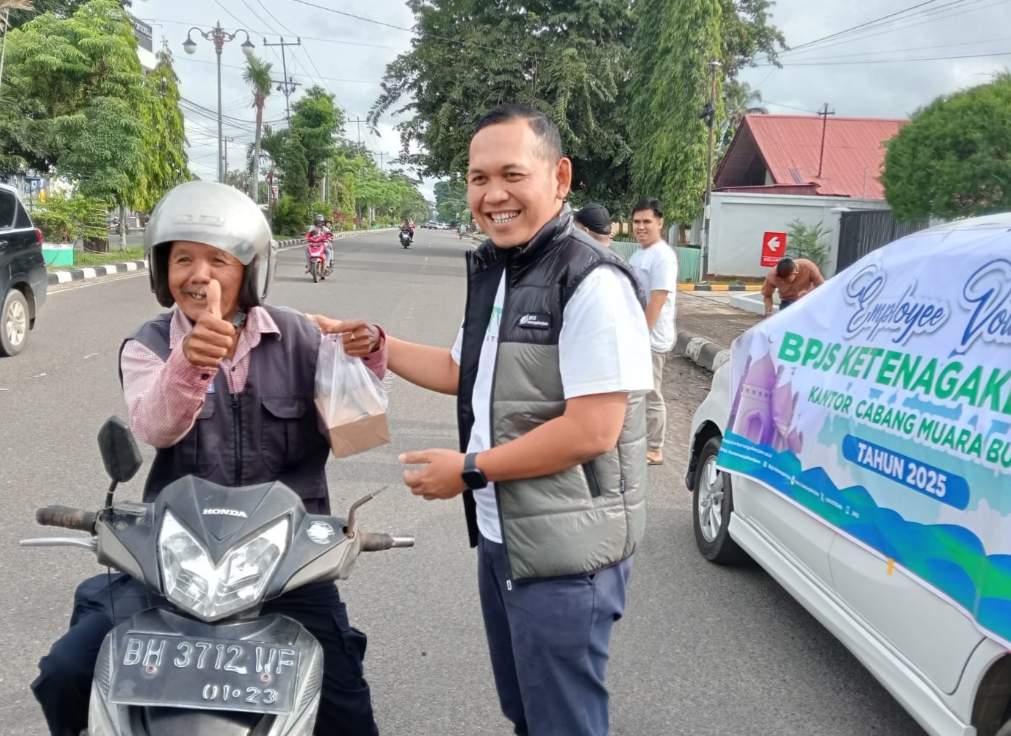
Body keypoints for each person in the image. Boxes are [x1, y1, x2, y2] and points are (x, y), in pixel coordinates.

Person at [32, 181, 385, 736]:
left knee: (345, 704)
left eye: (218, 259)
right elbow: (154, 425)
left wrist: (364, 357)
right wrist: (189, 364)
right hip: (171, 561)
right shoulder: (147, 344)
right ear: (159, 271)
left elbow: (356, 429)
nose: (199, 275)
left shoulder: (300, 335)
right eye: (182, 259)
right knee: (66, 672)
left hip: (285, 567)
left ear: (250, 268)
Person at [356, 104, 652, 736]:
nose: (492, 195)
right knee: (526, 711)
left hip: (568, 552)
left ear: (560, 178)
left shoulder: (592, 281)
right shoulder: (501, 270)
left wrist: (468, 470)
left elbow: (593, 429)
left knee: (562, 721)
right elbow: (460, 368)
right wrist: (376, 343)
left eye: (512, 175)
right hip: (505, 536)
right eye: (477, 178)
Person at [628, 197, 677, 466]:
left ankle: (655, 448)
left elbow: (657, 298)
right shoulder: (639, 254)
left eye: (647, 221)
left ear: (660, 222)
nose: (641, 226)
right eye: (637, 221)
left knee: (651, 392)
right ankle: (638, 441)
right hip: (638, 336)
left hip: (651, 338)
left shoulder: (663, 256)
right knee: (635, 390)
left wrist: (641, 335)